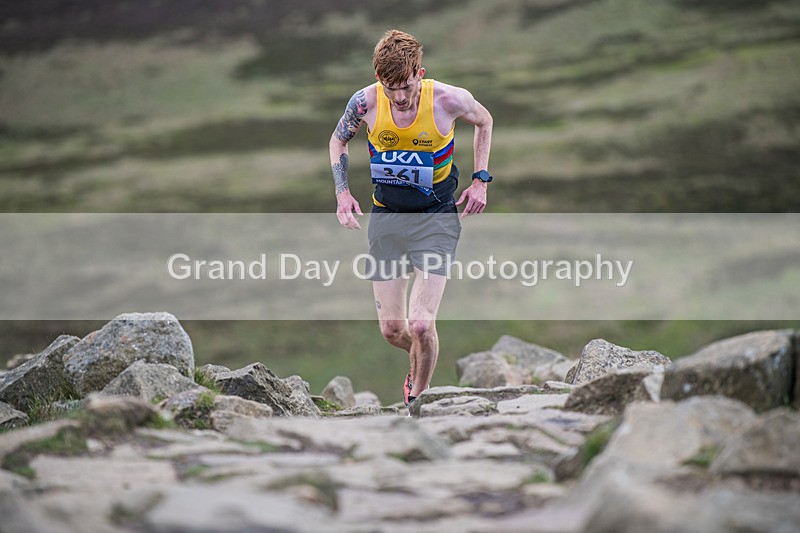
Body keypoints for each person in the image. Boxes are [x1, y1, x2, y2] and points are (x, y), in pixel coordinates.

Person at [329, 29, 493, 413]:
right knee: (394, 330)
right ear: (377, 80)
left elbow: (484, 121)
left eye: (405, 86)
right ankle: (420, 353)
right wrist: (342, 193)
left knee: (420, 324)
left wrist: (480, 181)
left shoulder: (450, 99)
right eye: (390, 88)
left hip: (436, 217)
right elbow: (338, 140)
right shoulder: (365, 103)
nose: (399, 97)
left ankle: (418, 400)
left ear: (420, 73)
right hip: (387, 218)